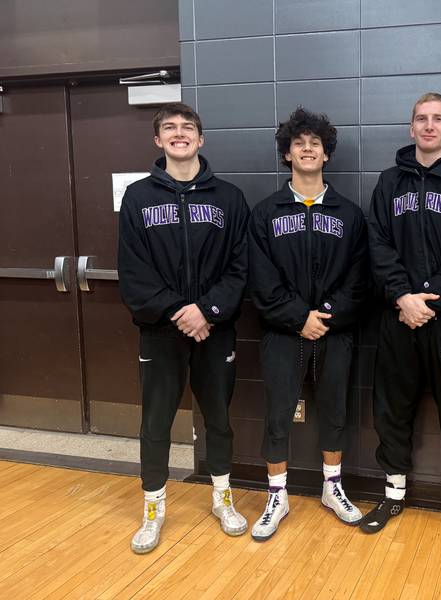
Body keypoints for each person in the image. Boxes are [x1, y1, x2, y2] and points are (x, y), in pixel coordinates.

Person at [118, 102, 250, 554]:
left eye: (187, 128)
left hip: (215, 331)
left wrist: (207, 311)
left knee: (218, 419)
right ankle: (153, 508)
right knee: (155, 423)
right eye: (170, 129)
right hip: (161, 332)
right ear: (158, 141)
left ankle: (222, 499)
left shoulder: (229, 198)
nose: (179, 134)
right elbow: (133, 274)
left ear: (201, 138)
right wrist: (181, 311)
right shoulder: (138, 198)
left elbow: (240, 268)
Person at [363, 93, 441, 555]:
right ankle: (393, 494)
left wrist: (428, 300)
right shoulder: (388, 183)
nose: (430, 125)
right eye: (422, 118)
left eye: (439, 119)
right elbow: (376, 245)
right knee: (392, 409)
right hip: (398, 319)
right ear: (411, 127)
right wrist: (402, 295)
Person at [248, 108, 369, 541]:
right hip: (284, 333)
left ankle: (332, 488)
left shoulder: (351, 215)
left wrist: (324, 317)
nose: (307, 148)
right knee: (279, 413)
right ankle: (276, 496)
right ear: (286, 154)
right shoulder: (264, 213)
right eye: (298, 143)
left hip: (335, 333)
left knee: (335, 410)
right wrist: (299, 317)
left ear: (326, 154)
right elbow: (261, 281)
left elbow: (359, 279)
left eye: (315, 143)